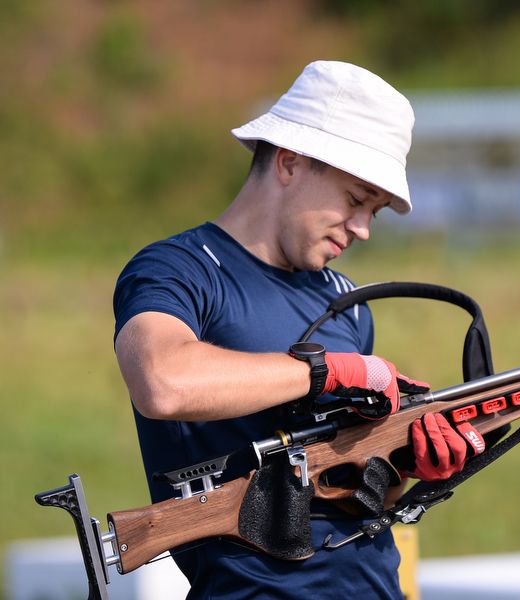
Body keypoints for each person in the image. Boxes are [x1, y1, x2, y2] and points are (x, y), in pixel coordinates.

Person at [113, 60, 482, 599]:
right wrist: (326, 370)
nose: (362, 229)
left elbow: (342, 479)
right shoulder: (180, 268)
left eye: (374, 212)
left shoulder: (349, 305)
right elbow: (161, 382)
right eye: (356, 200)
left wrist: (412, 460)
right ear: (289, 162)